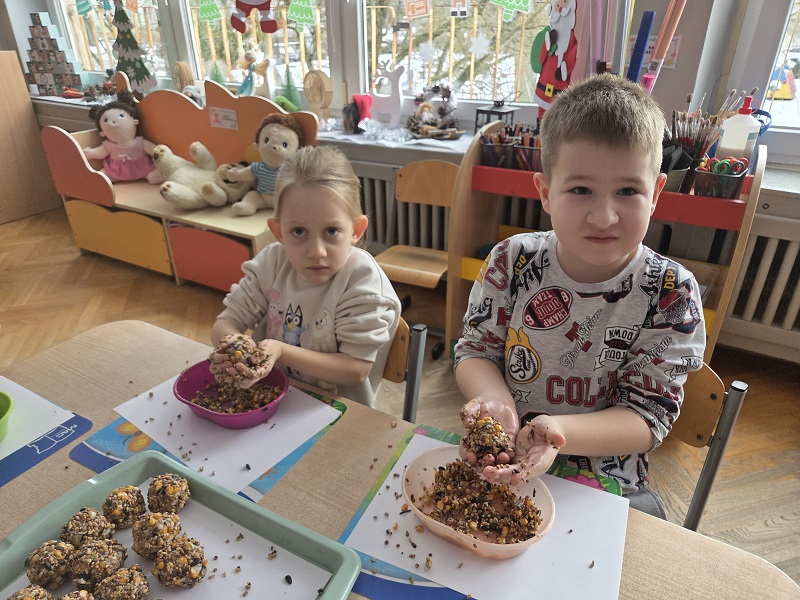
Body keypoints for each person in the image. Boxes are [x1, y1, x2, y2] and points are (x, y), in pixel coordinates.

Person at [455, 73, 705, 518]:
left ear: (656, 195)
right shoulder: (511, 261)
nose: (604, 216)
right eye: (581, 189)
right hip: (505, 455)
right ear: (546, 193)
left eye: (628, 191)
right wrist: (496, 403)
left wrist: (555, 431)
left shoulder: (672, 293)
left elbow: (647, 417)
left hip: (609, 478)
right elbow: (476, 351)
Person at [210, 145, 402, 408]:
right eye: (299, 232)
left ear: (356, 230)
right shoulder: (272, 262)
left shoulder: (361, 279)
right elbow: (226, 323)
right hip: (270, 398)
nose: (316, 251)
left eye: (331, 231)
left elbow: (355, 370)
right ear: (278, 232)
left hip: (339, 410)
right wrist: (233, 346)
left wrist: (280, 351)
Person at [83, 89, 163, 184]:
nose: (112, 122)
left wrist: (162, 153)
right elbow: (100, 152)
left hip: (143, 169)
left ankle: (156, 176)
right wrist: (91, 153)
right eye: (106, 120)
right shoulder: (109, 145)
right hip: (115, 172)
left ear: (135, 122)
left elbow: (155, 151)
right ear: (102, 133)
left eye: (121, 116)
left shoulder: (140, 142)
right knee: (103, 175)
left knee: (153, 176)